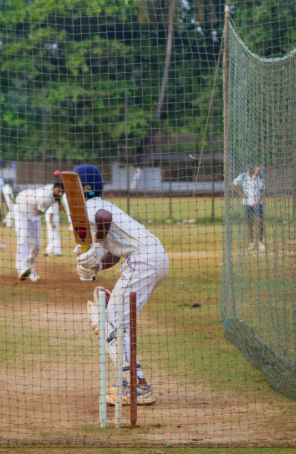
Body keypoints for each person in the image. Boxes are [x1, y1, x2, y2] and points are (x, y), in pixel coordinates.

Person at [75, 163, 169, 407]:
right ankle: (133, 383)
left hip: (143, 260)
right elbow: (115, 255)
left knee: (111, 322)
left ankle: (138, 387)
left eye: (71, 186)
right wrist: (95, 265)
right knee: (119, 323)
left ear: (83, 188)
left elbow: (102, 220)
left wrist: (95, 245)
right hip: (150, 257)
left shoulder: (91, 207)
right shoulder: (101, 205)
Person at [13, 179, 70, 281]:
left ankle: (29, 269)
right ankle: (21, 268)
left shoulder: (52, 189)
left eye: (62, 191)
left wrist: (59, 203)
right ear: (53, 188)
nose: (60, 193)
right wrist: (58, 204)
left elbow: (57, 197)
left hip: (33, 212)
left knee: (36, 245)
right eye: (58, 191)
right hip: (22, 208)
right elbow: (40, 211)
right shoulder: (45, 199)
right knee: (23, 238)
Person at [232, 164, 265, 250]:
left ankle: (261, 242)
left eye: (252, 165)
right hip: (247, 203)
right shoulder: (243, 176)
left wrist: (258, 202)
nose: (251, 167)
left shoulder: (259, 176)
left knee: (260, 221)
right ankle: (251, 243)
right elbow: (233, 184)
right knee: (249, 223)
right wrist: (241, 194)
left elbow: (262, 191)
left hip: (258, 203)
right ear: (247, 166)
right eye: (249, 165)